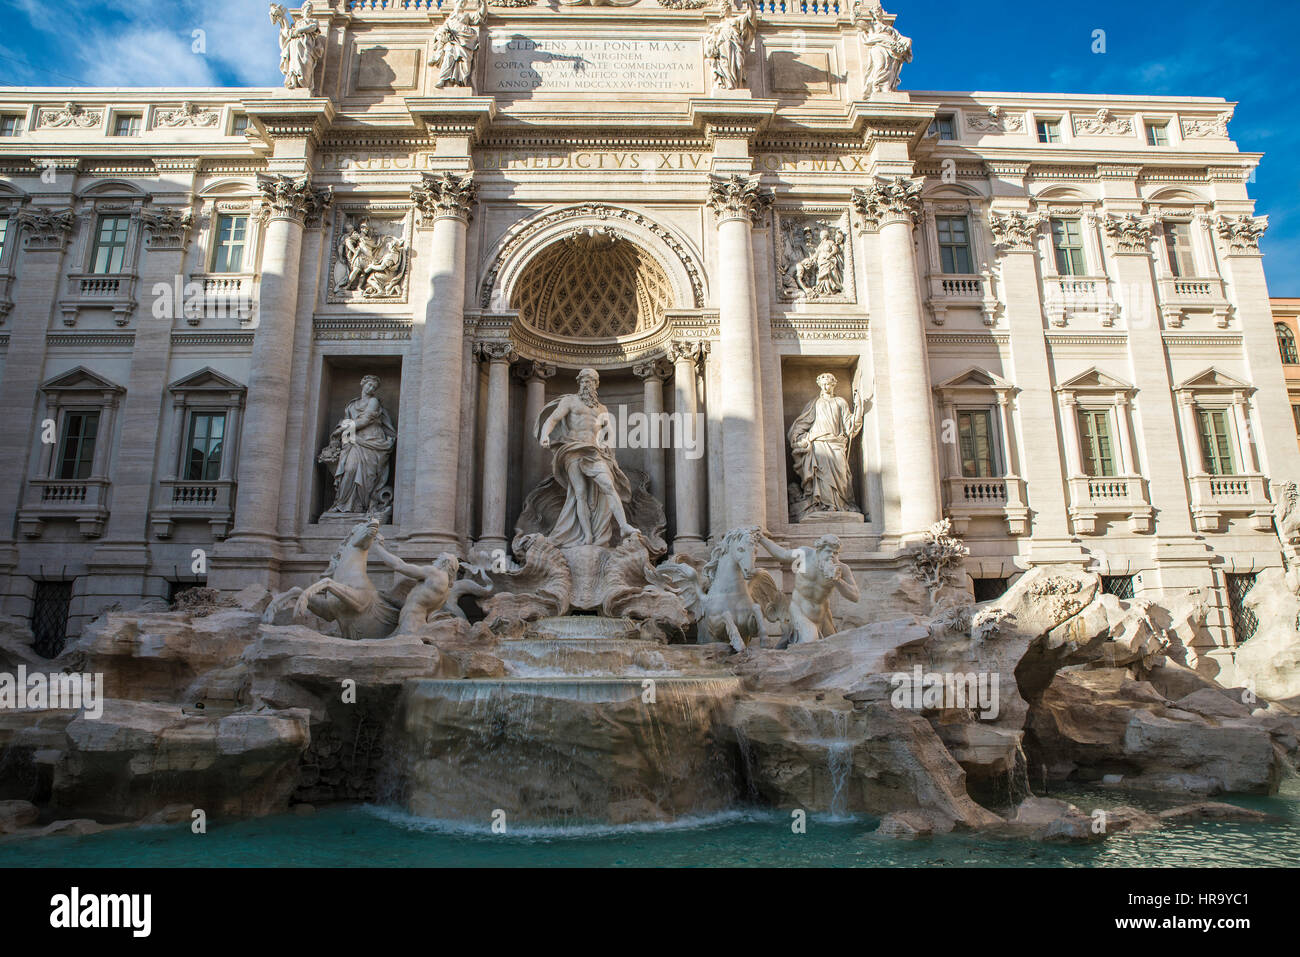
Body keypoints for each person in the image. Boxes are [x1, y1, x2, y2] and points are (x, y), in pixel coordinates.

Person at [537, 368, 638, 546]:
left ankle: (623, 526)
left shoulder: (602, 409)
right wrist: (545, 434)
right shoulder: (570, 401)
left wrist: (609, 447)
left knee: (608, 484)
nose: (586, 383)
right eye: (583, 380)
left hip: (593, 451)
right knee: (580, 493)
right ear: (579, 383)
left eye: (590, 380)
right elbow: (553, 419)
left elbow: (610, 433)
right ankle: (587, 536)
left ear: (596, 384)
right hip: (572, 450)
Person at [758, 532, 860, 645]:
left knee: (835, 647)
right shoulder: (804, 554)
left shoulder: (842, 569)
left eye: (835, 553)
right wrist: (762, 539)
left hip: (822, 615)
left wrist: (837, 581)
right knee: (810, 642)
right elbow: (782, 554)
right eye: (828, 551)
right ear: (819, 550)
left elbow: (855, 597)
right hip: (799, 610)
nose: (832, 555)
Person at [788, 373, 866, 516]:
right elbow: (803, 423)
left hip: (836, 443)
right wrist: (797, 436)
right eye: (823, 384)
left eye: (828, 383)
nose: (825, 386)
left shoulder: (840, 402)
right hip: (818, 444)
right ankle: (824, 505)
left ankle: (840, 504)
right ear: (819, 385)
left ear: (833, 384)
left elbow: (850, 425)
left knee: (841, 477)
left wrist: (859, 407)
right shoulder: (814, 403)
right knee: (822, 477)